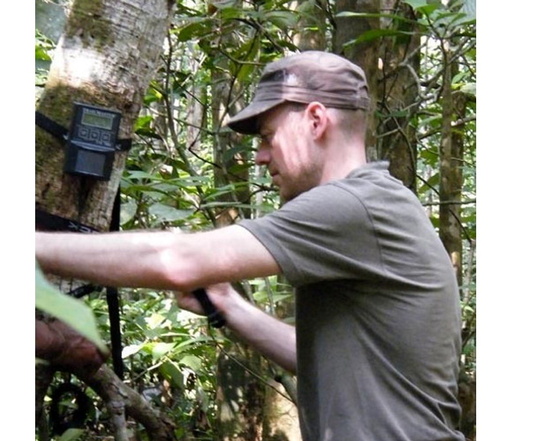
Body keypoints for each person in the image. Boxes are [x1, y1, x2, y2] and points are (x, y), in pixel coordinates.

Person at [36, 50, 464, 441]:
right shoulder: (376, 203)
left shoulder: (354, 204)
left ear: (315, 120)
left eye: (266, 135)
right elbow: (322, 362)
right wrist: (228, 304)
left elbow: (177, 261)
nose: (260, 157)